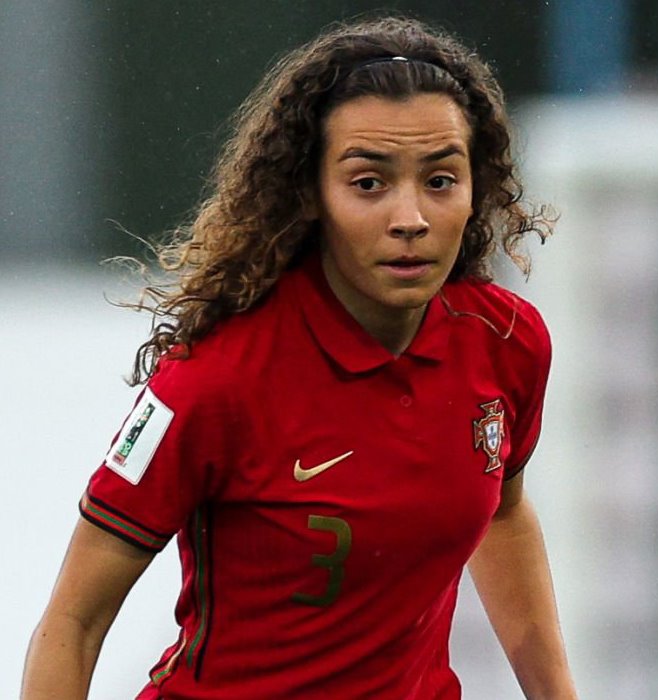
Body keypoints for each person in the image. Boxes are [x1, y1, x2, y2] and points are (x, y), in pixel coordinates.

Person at [22, 15, 578, 700]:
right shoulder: (217, 378)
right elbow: (73, 622)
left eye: (440, 180)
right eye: (368, 183)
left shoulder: (506, 340)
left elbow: (503, 513)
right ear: (310, 193)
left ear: (477, 188)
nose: (411, 217)